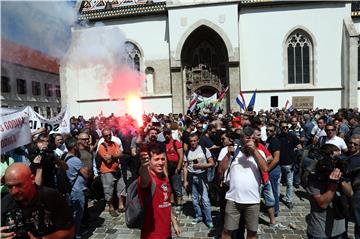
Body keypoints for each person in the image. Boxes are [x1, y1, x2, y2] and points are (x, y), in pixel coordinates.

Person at [1, 163, 74, 239]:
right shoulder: (4, 204)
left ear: (32, 179)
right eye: (9, 187)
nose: (14, 191)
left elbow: (69, 232)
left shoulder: (51, 197)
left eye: (19, 185)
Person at [220, 126, 268, 239]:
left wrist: (254, 151)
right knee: (227, 231)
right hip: (233, 199)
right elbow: (221, 170)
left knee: (252, 233)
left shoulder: (259, 152)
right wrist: (228, 155)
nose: (250, 140)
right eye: (247, 138)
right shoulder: (231, 151)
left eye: (252, 138)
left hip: (252, 200)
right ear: (241, 138)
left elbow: (265, 168)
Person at [306, 144, 353, 239]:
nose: (337, 161)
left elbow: (350, 193)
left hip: (340, 230)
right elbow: (323, 204)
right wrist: (333, 185)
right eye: (335, 159)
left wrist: (341, 180)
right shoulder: (315, 178)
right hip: (321, 232)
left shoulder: (340, 172)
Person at [138, 143, 181, 239]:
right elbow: (144, 178)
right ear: (149, 161)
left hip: (167, 233)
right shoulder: (148, 179)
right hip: (152, 235)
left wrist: (174, 223)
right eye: (156, 159)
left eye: (162, 159)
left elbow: (167, 203)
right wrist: (144, 166)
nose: (161, 162)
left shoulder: (164, 178)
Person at [183, 133, 215, 228]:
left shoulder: (204, 150)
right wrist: (185, 181)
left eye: (194, 141)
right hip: (192, 178)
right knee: (194, 200)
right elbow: (185, 167)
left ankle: (209, 220)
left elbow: (212, 163)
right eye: (191, 141)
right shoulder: (187, 152)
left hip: (202, 177)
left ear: (197, 140)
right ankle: (199, 216)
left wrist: (201, 166)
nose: (193, 143)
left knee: (205, 200)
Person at [64, 137, 91, 239]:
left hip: (70, 190)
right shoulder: (75, 160)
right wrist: (87, 170)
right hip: (77, 191)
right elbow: (86, 174)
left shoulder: (65, 157)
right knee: (77, 216)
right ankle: (76, 235)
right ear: (74, 147)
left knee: (73, 214)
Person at [98, 128, 125, 217]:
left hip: (117, 169)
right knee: (108, 190)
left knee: (121, 187)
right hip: (107, 171)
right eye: (106, 135)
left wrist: (112, 156)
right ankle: (111, 207)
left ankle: (121, 206)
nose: (109, 136)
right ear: (103, 136)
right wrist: (115, 156)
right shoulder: (102, 146)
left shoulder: (115, 144)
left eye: (110, 135)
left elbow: (121, 154)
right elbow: (107, 160)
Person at [277, 120, 302, 209]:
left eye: (286, 127)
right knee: (277, 183)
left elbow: (300, 147)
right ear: (280, 128)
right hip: (278, 164)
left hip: (289, 164)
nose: (285, 129)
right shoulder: (277, 136)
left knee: (289, 183)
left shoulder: (292, 136)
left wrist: (295, 150)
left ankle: (289, 200)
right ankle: (276, 199)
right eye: (283, 127)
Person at [347, 135, 360, 239]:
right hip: (343, 193)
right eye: (350, 143)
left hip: (357, 193)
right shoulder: (344, 155)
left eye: (355, 144)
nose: (352, 145)